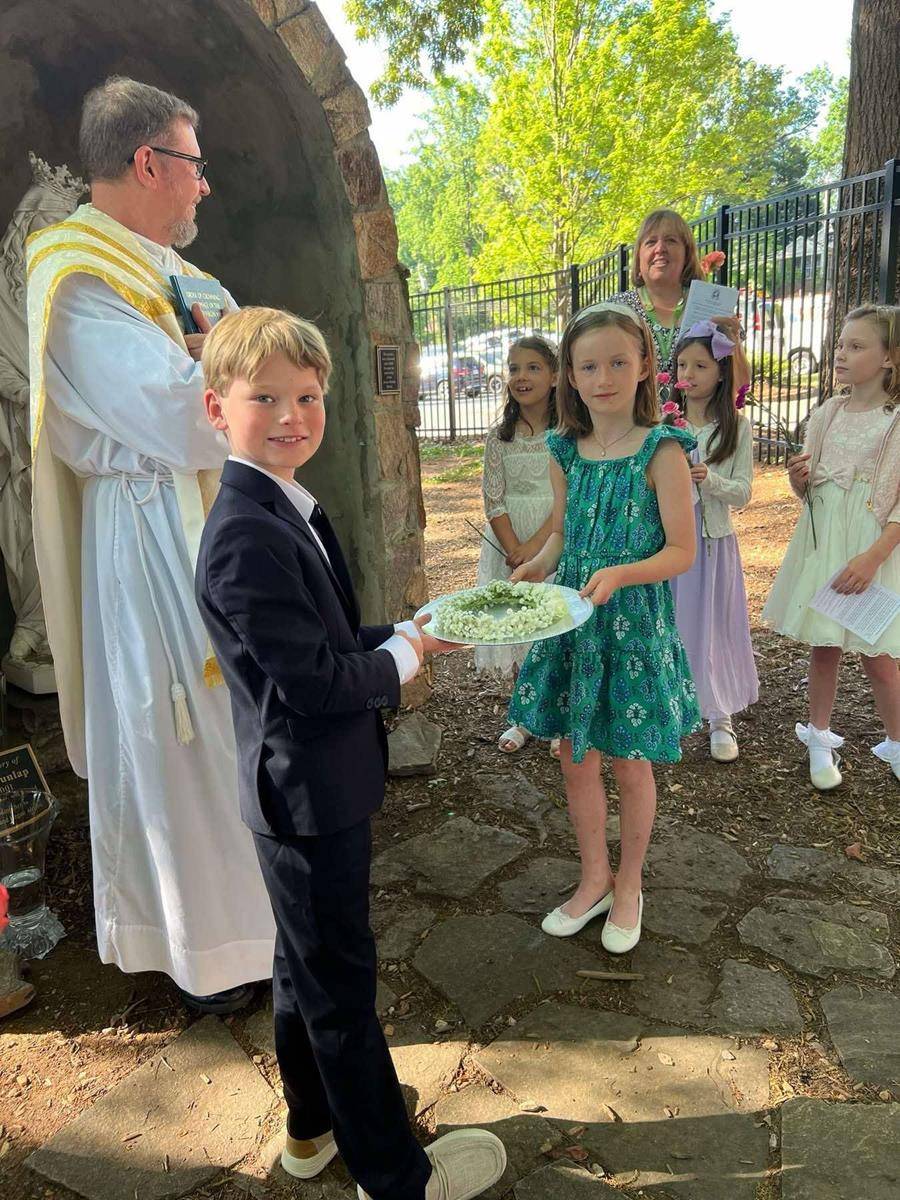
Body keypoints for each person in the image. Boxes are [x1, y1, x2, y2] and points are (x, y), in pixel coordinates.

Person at [195, 306, 507, 1200]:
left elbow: (326, 640)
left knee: (303, 964)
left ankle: (312, 1129)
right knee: (339, 983)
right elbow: (318, 686)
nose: (293, 414)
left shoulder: (277, 502)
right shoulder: (246, 535)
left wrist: (407, 630)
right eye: (266, 398)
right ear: (219, 410)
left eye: (308, 394)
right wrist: (403, 659)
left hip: (308, 788)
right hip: (306, 798)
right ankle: (393, 1172)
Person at [26, 76, 275, 1012]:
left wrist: (232, 372)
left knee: (236, 736)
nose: (205, 187)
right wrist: (231, 372)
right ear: (148, 163)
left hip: (219, 521)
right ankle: (205, 959)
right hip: (149, 535)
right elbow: (185, 418)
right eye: (195, 167)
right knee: (179, 739)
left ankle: (258, 929)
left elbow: (245, 384)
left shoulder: (186, 275)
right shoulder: (75, 273)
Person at [508, 302, 700, 953]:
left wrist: (621, 574)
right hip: (575, 624)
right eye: (589, 365)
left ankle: (630, 884)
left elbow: (682, 551)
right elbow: (562, 533)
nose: (604, 376)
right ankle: (593, 877)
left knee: (630, 761)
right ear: (572, 374)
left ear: (645, 364)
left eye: (619, 361)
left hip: (632, 628)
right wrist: (532, 568)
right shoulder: (565, 448)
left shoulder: (662, 450)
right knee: (574, 756)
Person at [762, 304, 900, 789]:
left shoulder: (896, 421)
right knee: (825, 647)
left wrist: (873, 556)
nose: (841, 354)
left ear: (889, 357)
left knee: (878, 654)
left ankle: (897, 742)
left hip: (868, 549)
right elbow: (813, 493)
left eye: (857, 346)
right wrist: (800, 482)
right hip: (824, 547)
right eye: (840, 344)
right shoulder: (826, 414)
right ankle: (818, 736)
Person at [668, 320, 759, 761]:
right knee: (674, 624)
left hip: (712, 541)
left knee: (714, 626)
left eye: (700, 365)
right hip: (668, 544)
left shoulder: (736, 428)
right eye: (683, 364)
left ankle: (720, 715)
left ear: (721, 372)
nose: (689, 374)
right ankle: (673, 707)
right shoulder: (663, 423)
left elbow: (743, 492)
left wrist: (710, 480)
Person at [476, 336, 558, 755]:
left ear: (555, 375)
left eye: (532, 367)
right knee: (519, 626)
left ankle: (559, 717)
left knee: (553, 629)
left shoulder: (569, 433)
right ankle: (524, 716)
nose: (520, 377)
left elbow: (568, 497)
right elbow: (494, 498)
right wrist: (512, 547)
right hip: (508, 544)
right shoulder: (499, 438)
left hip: (552, 541)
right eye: (512, 369)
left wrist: (535, 547)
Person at [609, 208, 749, 403]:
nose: (660, 248)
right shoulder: (615, 311)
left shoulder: (711, 306)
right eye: (651, 242)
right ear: (639, 256)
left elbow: (740, 387)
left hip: (697, 429)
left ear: (687, 253)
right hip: (633, 429)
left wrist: (733, 347)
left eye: (671, 240)